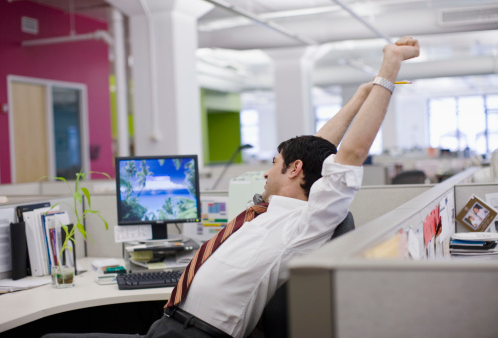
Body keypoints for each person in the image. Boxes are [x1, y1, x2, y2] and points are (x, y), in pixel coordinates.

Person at [43, 36, 420, 338]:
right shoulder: (272, 211)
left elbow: (351, 154)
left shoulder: (309, 221)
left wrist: (389, 68)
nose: (265, 174)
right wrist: (359, 96)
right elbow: (313, 148)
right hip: (169, 326)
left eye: (274, 164)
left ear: (294, 171)